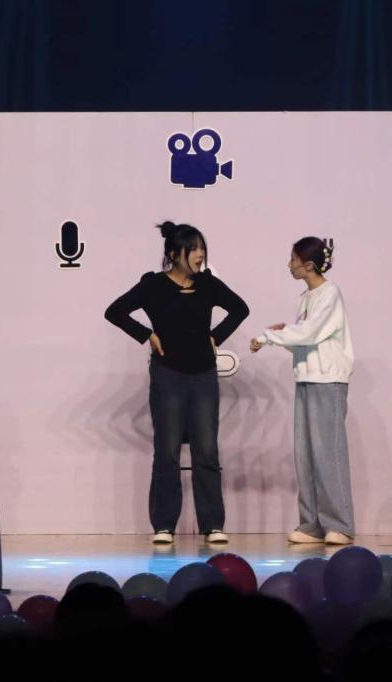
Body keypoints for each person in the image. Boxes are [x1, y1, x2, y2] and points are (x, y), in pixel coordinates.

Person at [105, 221, 249, 545]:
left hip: (203, 376)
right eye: (193, 249)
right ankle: (164, 525)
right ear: (173, 254)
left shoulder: (208, 284)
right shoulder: (153, 285)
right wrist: (146, 334)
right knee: (167, 450)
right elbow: (114, 311)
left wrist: (216, 337)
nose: (199, 255)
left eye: (202, 249)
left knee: (206, 450)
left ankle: (213, 524)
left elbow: (240, 309)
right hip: (167, 375)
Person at [250, 237, 355, 545]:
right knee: (306, 455)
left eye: (293, 259)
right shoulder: (306, 297)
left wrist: (269, 336)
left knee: (327, 452)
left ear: (308, 265)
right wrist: (283, 336)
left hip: (328, 381)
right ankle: (312, 524)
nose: (289, 265)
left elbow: (309, 333)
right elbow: (307, 341)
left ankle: (340, 524)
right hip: (307, 378)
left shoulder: (330, 293)